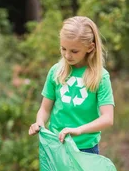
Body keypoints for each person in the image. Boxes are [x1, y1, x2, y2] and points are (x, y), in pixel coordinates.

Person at [28, 16, 114, 154]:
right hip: (56, 146)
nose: (67, 55)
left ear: (90, 48)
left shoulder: (100, 77)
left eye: (74, 51)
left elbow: (107, 119)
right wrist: (39, 123)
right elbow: (45, 109)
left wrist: (79, 130)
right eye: (63, 49)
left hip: (85, 149)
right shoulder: (56, 71)